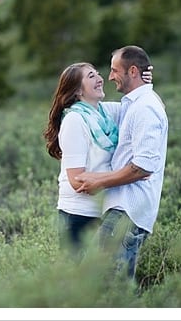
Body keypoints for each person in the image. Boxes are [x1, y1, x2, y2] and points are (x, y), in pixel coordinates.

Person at [74, 45, 168, 280]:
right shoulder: (133, 104)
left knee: (94, 283)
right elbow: (93, 109)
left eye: (115, 70)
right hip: (124, 209)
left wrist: (99, 180)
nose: (110, 77)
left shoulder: (146, 107)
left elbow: (143, 167)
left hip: (129, 210)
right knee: (114, 288)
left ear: (132, 71)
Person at [43, 61, 152, 255]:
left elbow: (141, 107)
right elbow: (77, 181)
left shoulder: (106, 112)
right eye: (91, 76)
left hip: (105, 208)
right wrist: (127, 174)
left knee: (101, 278)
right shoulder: (74, 120)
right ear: (77, 91)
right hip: (77, 214)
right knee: (77, 279)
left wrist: (143, 83)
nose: (100, 79)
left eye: (97, 73)